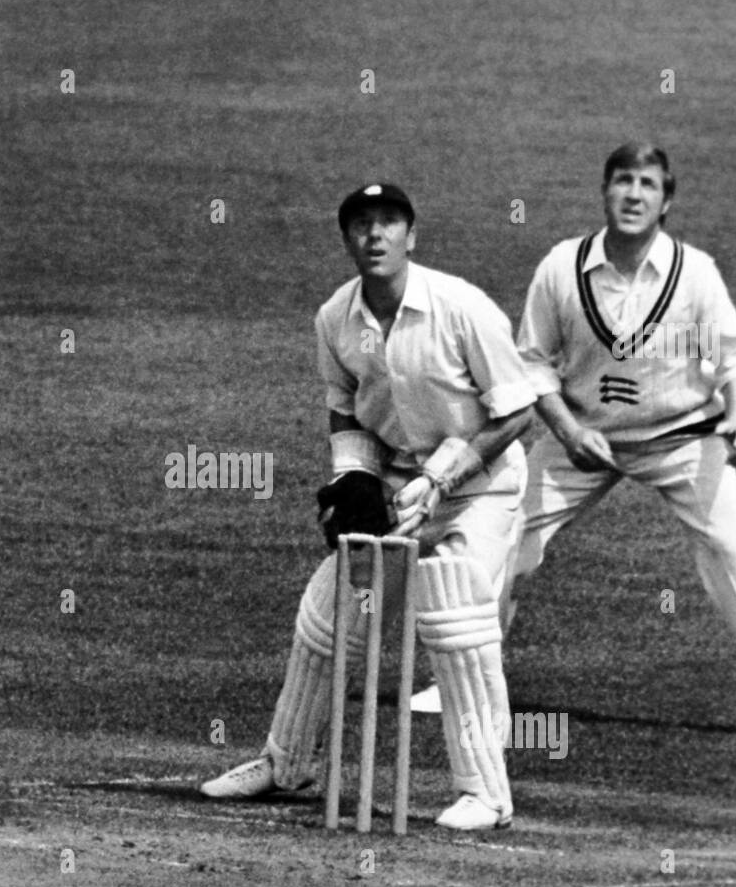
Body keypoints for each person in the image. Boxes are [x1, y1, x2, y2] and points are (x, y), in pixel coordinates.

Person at [201, 183, 537, 830]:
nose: (375, 235)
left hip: (479, 487)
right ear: (347, 238)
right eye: (361, 225)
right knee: (329, 613)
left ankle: (487, 793)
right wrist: (353, 477)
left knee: (454, 606)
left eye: (388, 223)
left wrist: (444, 475)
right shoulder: (335, 317)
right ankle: (288, 762)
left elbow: (517, 409)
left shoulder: (461, 308)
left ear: (412, 235)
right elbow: (343, 404)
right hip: (395, 485)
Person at [507, 142, 736, 744]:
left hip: (683, 437)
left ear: (666, 201)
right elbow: (531, 364)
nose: (634, 194)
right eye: (623, 181)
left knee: (733, 547)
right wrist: (568, 431)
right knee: (503, 534)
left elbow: (734, 362)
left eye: (648, 185)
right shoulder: (561, 266)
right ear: (604, 191)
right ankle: (465, 677)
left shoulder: (696, 274)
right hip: (584, 437)